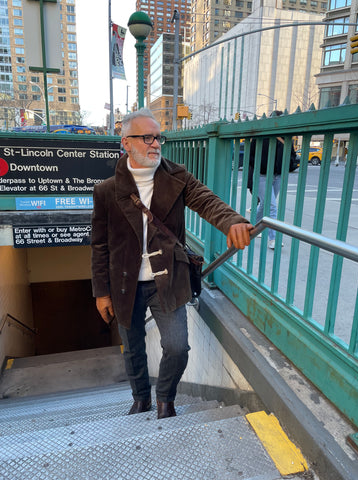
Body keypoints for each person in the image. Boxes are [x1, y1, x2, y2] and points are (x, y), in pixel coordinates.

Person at [91, 108, 253, 419]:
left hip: (167, 280)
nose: (155, 144)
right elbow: (99, 246)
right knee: (133, 346)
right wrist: (101, 292)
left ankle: (165, 398)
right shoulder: (107, 191)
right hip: (124, 284)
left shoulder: (177, 177)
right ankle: (141, 399)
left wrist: (233, 221)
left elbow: (207, 201)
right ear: (126, 142)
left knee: (178, 347)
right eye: (147, 137)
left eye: (158, 137)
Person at [249, 111, 297, 249]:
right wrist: (263, 166)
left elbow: (292, 155)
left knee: (265, 204)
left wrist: (284, 166)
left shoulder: (286, 138)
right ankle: (273, 238)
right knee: (272, 206)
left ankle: (254, 227)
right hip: (262, 175)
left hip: (278, 175)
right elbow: (252, 156)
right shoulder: (260, 136)